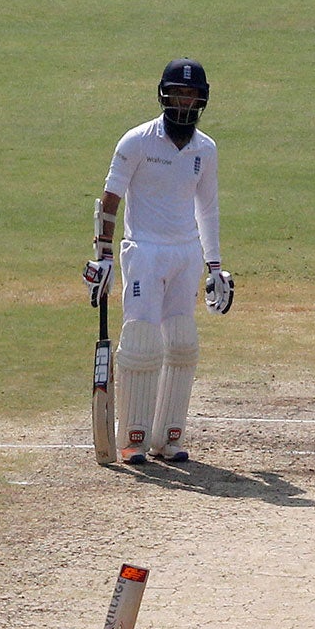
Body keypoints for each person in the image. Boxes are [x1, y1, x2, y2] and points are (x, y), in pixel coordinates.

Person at [83, 58, 233, 466]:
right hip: (144, 251)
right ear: (165, 95)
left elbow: (208, 209)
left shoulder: (206, 149)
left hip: (186, 253)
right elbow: (110, 198)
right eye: (178, 93)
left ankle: (168, 437)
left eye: (192, 94)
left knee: (182, 344)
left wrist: (214, 266)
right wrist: (105, 255)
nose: (185, 101)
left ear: (201, 99)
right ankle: (132, 436)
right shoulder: (136, 141)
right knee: (143, 342)